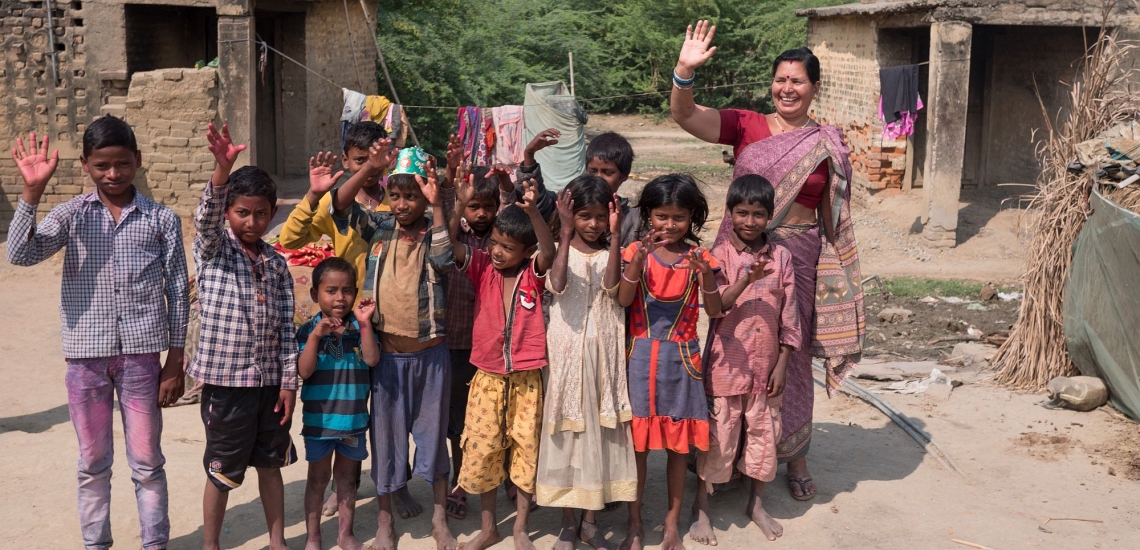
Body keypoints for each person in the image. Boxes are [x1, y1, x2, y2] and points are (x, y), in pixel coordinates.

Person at [670, 20, 866, 502]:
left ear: (814, 87)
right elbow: (686, 116)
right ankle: (730, 453)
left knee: (790, 353)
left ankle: (794, 455)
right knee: (730, 346)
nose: (787, 88)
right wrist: (683, 71)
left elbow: (831, 216)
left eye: (797, 80)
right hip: (736, 254)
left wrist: (833, 270)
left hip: (798, 256)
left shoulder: (828, 142)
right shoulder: (748, 125)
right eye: (780, 79)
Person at [6, 117, 189, 550]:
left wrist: (175, 361)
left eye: (122, 164)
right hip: (86, 361)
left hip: (142, 359)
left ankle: (155, 544)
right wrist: (32, 194)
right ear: (86, 165)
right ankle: (96, 545)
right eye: (102, 165)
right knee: (92, 463)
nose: (114, 174)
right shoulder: (71, 215)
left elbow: (179, 291)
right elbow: (19, 254)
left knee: (147, 462)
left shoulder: (161, 219)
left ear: (138, 162)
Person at [326, 144, 458, 550]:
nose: (402, 205)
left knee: (434, 439)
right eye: (396, 195)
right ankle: (385, 523)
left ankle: (439, 519)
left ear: (426, 196)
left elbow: (444, 260)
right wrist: (369, 166)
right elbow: (339, 207)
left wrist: (438, 207)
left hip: (431, 356)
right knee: (386, 441)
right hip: (387, 357)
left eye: (412, 195)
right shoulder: (380, 227)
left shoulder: (435, 231)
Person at [190, 123, 298, 550]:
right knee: (222, 471)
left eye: (260, 213)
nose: (251, 221)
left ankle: (276, 541)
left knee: (270, 465)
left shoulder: (276, 264)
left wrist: (289, 382)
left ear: (272, 213)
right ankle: (211, 544)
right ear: (229, 212)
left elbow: (287, 329)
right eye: (241, 212)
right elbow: (206, 218)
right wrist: (221, 170)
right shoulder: (215, 248)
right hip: (227, 385)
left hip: (269, 384)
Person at [689, 175, 800, 545]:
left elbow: (790, 315)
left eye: (758, 214)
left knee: (763, 437)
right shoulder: (717, 256)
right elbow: (716, 306)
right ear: (730, 213)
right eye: (742, 213)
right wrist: (747, 280)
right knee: (718, 436)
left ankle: (756, 504)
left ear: (770, 216)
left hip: (766, 368)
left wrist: (782, 362)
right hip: (726, 366)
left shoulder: (781, 257)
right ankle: (701, 508)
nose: (749, 222)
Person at [450, 177, 557, 550]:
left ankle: (520, 528)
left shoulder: (534, 274)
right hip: (487, 377)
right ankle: (488, 527)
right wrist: (457, 204)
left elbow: (548, 250)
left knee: (526, 453)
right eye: (494, 242)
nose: (496, 251)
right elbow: (450, 245)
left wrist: (533, 212)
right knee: (484, 452)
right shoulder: (481, 267)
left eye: (507, 247)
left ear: (525, 251)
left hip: (527, 378)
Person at [617, 174, 723, 550]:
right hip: (640, 361)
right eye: (661, 216)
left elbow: (715, 310)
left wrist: (705, 274)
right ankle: (634, 523)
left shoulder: (701, 259)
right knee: (639, 449)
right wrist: (639, 260)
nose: (669, 225)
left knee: (679, 450)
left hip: (682, 363)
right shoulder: (634, 253)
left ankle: (672, 525)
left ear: (692, 217)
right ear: (648, 214)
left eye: (678, 218)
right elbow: (624, 300)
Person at [539, 175, 637, 550]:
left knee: (599, 428)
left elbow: (614, 287)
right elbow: (558, 284)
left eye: (600, 217)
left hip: (606, 351)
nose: (593, 224)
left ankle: (590, 523)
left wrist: (615, 238)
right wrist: (564, 233)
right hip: (567, 352)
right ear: (570, 215)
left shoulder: (617, 249)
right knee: (571, 431)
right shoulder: (561, 247)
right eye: (584, 216)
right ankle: (568, 522)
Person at [441, 134, 516, 521]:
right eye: (475, 207)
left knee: (500, 413)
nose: (482, 214)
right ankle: (460, 479)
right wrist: (456, 202)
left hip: (496, 345)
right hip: (456, 341)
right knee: (461, 417)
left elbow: (516, 208)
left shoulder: (505, 239)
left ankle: (504, 476)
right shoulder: (459, 235)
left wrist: (505, 189)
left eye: (488, 207)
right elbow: (443, 242)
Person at [297, 258, 381, 550]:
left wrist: (366, 323)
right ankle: (313, 536)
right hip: (320, 423)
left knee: (346, 481)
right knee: (317, 480)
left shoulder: (360, 328)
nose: (339, 298)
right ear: (315, 295)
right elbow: (304, 371)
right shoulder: (308, 330)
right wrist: (315, 337)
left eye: (347, 291)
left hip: (354, 421)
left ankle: (345, 535)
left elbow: (371, 359)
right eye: (331, 290)